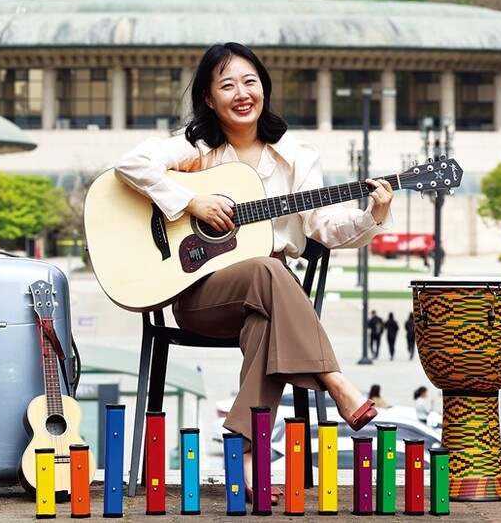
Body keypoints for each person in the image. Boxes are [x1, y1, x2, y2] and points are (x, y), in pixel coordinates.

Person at [113, 42, 394, 500]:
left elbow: (323, 227)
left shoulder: (296, 156)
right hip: (202, 295)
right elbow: (130, 164)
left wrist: (372, 215)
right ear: (208, 97)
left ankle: (243, 449)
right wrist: (191, 201)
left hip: (269, 300)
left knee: (267, 310)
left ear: (264, 87)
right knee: (269, 271)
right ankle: (336, 382)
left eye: (250, 82)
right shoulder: (195, 148)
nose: (242, 93)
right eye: (227, 85)